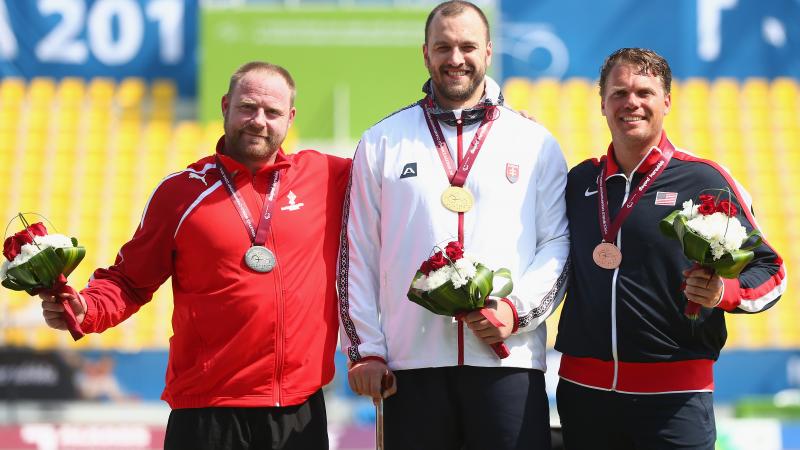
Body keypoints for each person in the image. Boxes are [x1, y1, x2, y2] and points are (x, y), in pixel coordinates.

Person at [39, 61, 351, 450]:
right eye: (247, 107)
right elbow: (128, 281)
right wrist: (88, 309)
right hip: (207, 410)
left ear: (290, 118)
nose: (258, 121)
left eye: (271, 112)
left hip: (297, 408)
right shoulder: (180, 193)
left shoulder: (326, 176)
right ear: (225, 106)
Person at [338, 1, 570, 448]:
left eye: (467, 46)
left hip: (508, 362)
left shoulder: (534, 142)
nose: (456, 58)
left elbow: (558, 242)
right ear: (425, 53)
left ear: (488, 51)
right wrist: (366, 349)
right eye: (443, 47)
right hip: (411, 367)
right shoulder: (382, 141)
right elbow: (358, 251)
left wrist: (515, 312)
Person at [555, 48, 787, 450]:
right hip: (583, 394)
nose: (632, 102)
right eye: (619, 92)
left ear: (667, 101)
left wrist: (724, 293)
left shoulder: (703, 179)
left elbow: (772, 271)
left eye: (645, 92)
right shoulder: (579, 181)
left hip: (674, 401)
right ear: (602, 103)